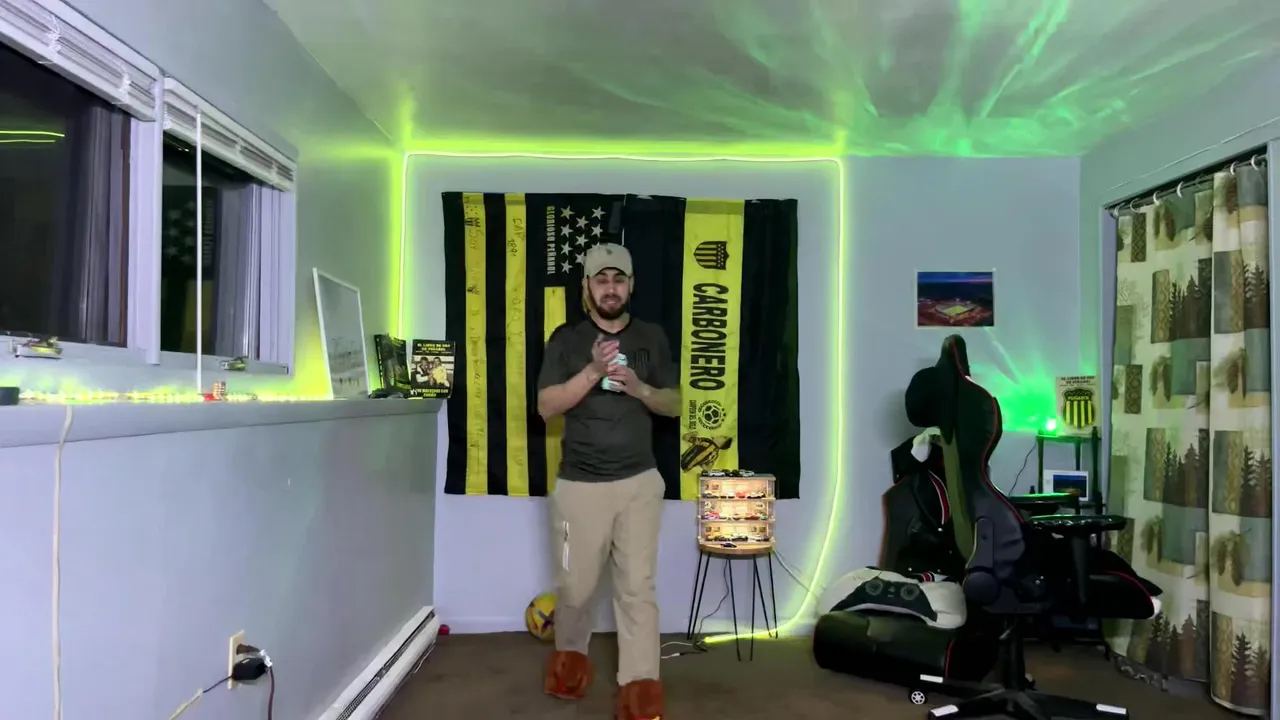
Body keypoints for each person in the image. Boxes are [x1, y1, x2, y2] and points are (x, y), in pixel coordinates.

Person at [536, 243, 680, 720]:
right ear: (587, 288)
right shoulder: (567, 339)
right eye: (601, 280)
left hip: (639, 483)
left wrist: (639, 388)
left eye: (619, 279)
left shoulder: (652, 337)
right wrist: (593, 371)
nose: (611, 288)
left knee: (637, 589)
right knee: (575, 589)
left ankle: (640, 693)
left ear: (631, 285)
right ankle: (570, 668)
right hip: (579, 487)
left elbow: (675, 404)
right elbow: (546, 406)